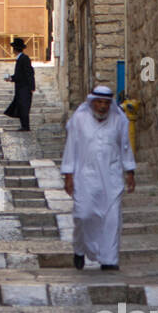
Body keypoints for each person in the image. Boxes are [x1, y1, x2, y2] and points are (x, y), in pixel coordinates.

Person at [60, 85, 136, 271]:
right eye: (99, 102)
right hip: (85, 176)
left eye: (106, 103)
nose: (102, 107)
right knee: (83, 215)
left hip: (112, 177)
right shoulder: (79, 119)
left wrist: (130, 172)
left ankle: (109, 259)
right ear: (92, 102)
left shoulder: (119, 120)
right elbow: (71, 148)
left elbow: (125, 147)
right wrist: (68, 175)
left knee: (112, 219)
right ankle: (80, 249)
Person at [4, 36, 35, 132]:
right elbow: (20, 74)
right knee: (21, 106)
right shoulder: (21, 59)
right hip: (21, 87)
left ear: (15, 49)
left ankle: (25, 126)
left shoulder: (24, 59)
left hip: (24, 87)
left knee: (24, 106)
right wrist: (11, 78)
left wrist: (31, 86)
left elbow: (29, 73)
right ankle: (24, 126)